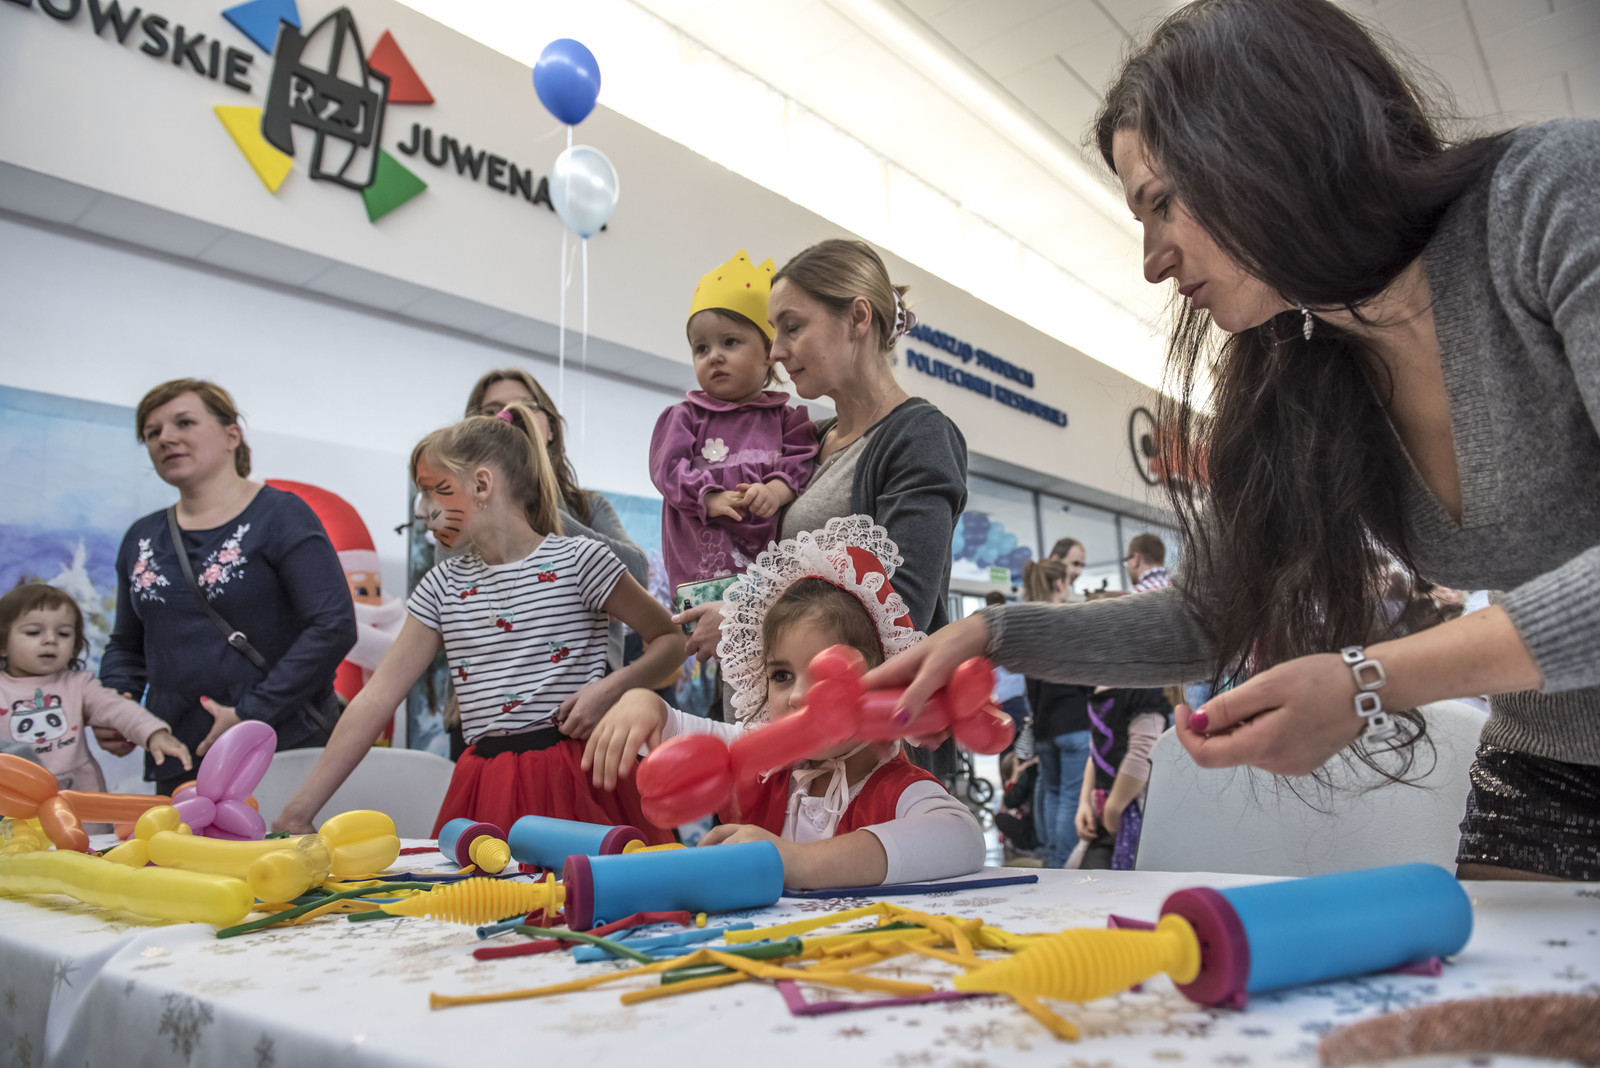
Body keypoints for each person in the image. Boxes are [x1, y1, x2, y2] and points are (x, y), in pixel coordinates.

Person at [865, 0, 1600, 881]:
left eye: (1163, 204)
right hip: (1548, 766)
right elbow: (1210, 616)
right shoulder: (1305, 371)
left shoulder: (1550, 197)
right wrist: (995, 632)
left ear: (1268, 141)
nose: (1152, 260)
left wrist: (1370, 679)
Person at [272, 404, 686, 836]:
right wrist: (299, 809)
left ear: (482, 485)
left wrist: (612, 688)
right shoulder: (441, 586)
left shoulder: (581, 560)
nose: (421, 510)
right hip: (487, 786)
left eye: (432, 491)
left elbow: (670, 639)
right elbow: (376, 698)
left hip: (581, 779)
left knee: (586, 879)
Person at [583, 516, 984, 889]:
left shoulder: (898, 789)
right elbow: (679, 732)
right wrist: (646, 705)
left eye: (826, 675)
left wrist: (800, 861)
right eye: (781, 676)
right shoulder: (766, 765)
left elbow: (961, 837)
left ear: (883, 683)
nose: (796, 696)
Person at [675, 239, 967, 659]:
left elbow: (902, 609)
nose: (775, 350)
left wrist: (744, 614)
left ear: (858, 318)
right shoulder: (803, 440)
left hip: (851, 697)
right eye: (774, 331)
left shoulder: (919, 435)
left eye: (792, 328)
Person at [101, 380, 356, 794]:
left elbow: (334, 625)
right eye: (152, 432)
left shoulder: (281, 515)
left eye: (184, 422)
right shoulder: (141, 536)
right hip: (179, 756)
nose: (166, 438)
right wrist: (116, 704)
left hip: (279, 746)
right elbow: (127, 645)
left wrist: (250, 713)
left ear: (231, 435)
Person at [650, 249, 818, 596]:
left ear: (769, 352)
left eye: (730, 342)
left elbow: (801, 462)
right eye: (701, 348)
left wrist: (775, 490)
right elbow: (667, 470)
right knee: (710, 632)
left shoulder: (788, 421)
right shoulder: (684, 417)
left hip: (768, 581)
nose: (714, 356)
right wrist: (707, 497)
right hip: (702, 574)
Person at [464, 368, 650, 668]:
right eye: (491, 411)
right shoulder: (463, 518)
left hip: (591, 687)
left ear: (550, 428)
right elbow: (458, 612)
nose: (511, 417)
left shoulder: (588, 506)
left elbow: (638, 575)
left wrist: (544, 510)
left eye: (526, 406)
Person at [1, 584, 191, 794]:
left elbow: (117, 708)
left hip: (80, 800)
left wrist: (153, 733)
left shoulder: (79, 685)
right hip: (15, 800)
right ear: (2, 644)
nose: (50, 640)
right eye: (33, 632)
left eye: (63, 633)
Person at [1019, 559, 1094, 868]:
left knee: (1051, 794)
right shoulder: (1069, 624)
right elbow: (1087, 679)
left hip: (1045, 727)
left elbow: (1030, 688)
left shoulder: (1029, 630)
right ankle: (1065, 865)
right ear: (1060, 584)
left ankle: (1052, 860)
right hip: (1074, 723)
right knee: (1070, 796)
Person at [1074, 686, 1172, 870]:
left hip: (1137, 811)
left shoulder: (1143, 691)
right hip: (1106, 811)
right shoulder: (1099, 685)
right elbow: (1094, 752)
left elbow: (1143, 753)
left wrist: (1112, 810)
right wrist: (1084, 802)